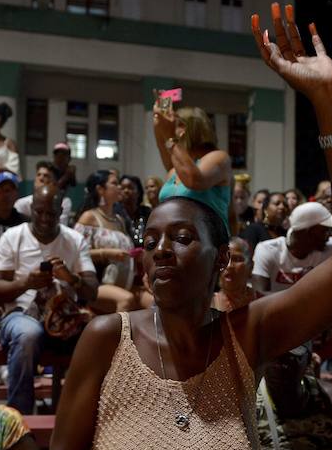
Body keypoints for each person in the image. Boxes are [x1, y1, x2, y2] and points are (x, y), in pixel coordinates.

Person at [46, 1, 332, 450]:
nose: (162, 249)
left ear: (220, 256)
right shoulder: (106, 339)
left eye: (182, 238)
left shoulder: (244, 336)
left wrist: (331, 104)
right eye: (151, 238)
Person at [0, 186, 99, 415]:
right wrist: (26, 283)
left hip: (63, 316)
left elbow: (92, 291)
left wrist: (71, 278)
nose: (44, 218)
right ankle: (18, 418)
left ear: (61, 211)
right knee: (28, 335)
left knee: (99, 333)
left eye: (51, 213)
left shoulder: (74, 240)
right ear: (31, 209)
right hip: (19, 312)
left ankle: (79, 414)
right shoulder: (13, 236)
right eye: (39, 212)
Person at [252, 201, 332, 398]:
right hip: (277, 318)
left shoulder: (329, 249)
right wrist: (306, 299)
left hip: (313, 317)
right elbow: (258, 296)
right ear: (308, 232)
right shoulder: (269, 249)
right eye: (324, 230)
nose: (329, 235)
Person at [153, 101, 232, 233]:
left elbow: (194, 180)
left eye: (175, 126)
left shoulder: (219, 158)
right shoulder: (175, 170)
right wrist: (158, 122)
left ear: (183, 128)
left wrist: (170, 136)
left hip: (206, 242)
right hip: (173, 241)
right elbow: (162, 145)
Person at [75, 171, 138, 314]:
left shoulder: (119, 220)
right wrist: (106, 253)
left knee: (152, 300)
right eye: (115, 183)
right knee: (126, 300)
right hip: (96, 283)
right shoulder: (89, 217)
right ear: (100, 189)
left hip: (124, 281)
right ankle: (120, 336)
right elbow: (76, 254)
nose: (120, 187)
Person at [14, 161, 73, 226]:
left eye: (46, 176)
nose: (41, 178)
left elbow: (60, 226)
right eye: (38, 175)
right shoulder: (21, 203)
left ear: (54, 182)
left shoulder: (63, 202)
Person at [212, 237, 259, 313]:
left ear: (250, 267)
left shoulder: (262, 305)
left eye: (237, 259)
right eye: (224, 259)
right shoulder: (207, 304)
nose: (229, 266)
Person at [119, 174, 152, 248]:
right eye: (123, 188)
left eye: (130, 187)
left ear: (138, 192)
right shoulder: (114, 213)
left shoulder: (147, 212)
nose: (126, 191)